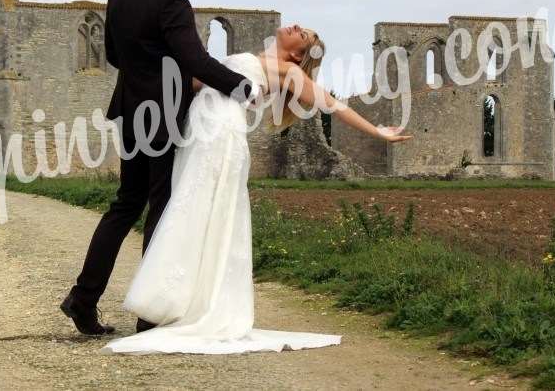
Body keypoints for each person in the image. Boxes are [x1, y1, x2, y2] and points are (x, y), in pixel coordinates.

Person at [99, 24, 412, 355]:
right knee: (186, 211)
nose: (294, 26)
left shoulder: (288, 70)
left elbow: (331, 104)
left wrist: (378, 132)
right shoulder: (253, 58)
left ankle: (181, 305)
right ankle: (172, 302)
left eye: (302, 34)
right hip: (197, 132)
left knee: (199, 212)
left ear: (297, 53)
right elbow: (200, 81)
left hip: (220, 137)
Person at [60, 0, 258, 336]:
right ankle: (149, 316)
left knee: (125, 204)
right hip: (165, 116)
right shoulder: (172, 1)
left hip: (133, 110)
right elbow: (196, 61)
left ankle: (83, 298)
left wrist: (149, 75)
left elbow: (115, 54)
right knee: (161, 209)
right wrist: (243, 88)